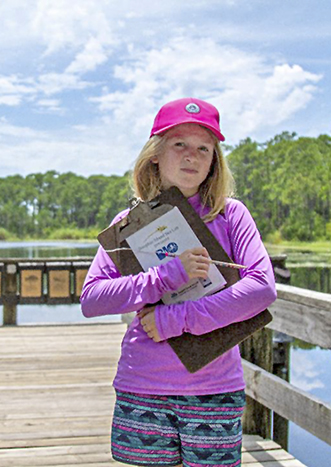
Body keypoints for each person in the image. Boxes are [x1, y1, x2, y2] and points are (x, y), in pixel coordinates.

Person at [80, 97, 277, 467]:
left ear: (214, 159)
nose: (192, 156)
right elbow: (92, 299)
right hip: (144, 384)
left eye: (204, 148)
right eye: (180, 144)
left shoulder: (231, 214)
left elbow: (263, 287)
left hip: (214, 386)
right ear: (156, 153)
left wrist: (176, 319)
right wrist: (166, 275)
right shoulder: (129, 223)